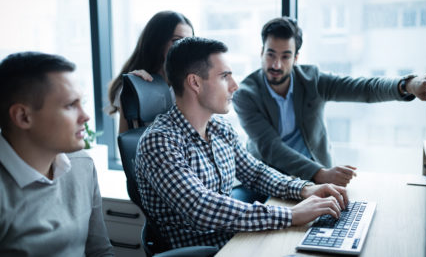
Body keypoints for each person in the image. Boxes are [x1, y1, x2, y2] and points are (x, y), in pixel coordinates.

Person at [135, 37, 349, 249]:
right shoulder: (159, 141)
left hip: (236, 241)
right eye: (224, 77)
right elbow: (201, 208)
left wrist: (305, 190)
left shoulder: (220, 128)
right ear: (195, 83)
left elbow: (255, 172)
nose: (235, 86)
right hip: (206, 252)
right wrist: (291, 214)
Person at [232, 16, 426, 187]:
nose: (276, 64)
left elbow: (363, 88)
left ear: (296, 58)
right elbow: (270, 147)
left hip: (316, 177)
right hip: (270, 178)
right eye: (270, 54)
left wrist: (407, 85)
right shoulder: (245, 95)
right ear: (261, 53)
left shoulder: (312, 81)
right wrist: (320, 173)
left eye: (285, 56)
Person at [0, 52, 113, 256]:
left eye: (82, 102)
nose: (86, 116)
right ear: (23, 116)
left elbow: (99, 251)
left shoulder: (82, 165)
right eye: (71, 105)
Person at [108, 10, 194, 133]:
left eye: (189, 42)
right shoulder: (137, 82)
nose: (185, 48)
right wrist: (133, 90)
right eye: (177, 40)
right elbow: (129, 143)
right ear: (158, 42)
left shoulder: (190, 81)